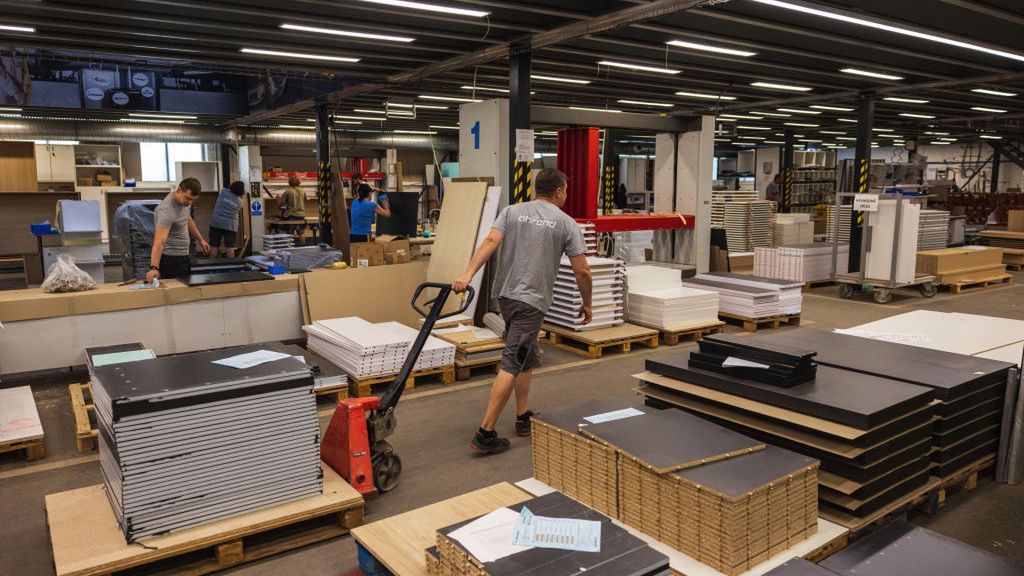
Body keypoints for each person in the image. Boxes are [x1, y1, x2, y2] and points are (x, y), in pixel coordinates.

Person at [452, 168, 592, 455]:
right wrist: (587, 302)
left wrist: (467, 274)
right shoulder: (566, 223)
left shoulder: (512, 212)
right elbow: (582, 272)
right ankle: (485, 432)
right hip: (531, 301)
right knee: (513, 361)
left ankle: (523, 416)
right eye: (565, 190)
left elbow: (490, 241)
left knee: (526, 356)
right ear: (559, 191)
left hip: (505, 295)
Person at [146, 177, 209, 283]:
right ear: (179, 190)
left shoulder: (184, 202)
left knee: (186, 289)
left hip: (183, 256)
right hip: (171, 260)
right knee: (177, 291)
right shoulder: (167, 210)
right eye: (188, 198)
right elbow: (159, 241)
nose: (190, 202)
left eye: (193, 200)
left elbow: (187, 218)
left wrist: (200, 239)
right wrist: (154, 268)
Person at [349, 173, 390, 243]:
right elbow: (388, 214)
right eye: (371, 192)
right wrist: (385, 204)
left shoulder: (354, 202)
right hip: (364, 236)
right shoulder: (372, 205)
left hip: (353, 236)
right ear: (369, 193)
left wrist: (376, 189)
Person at [208, 180, 245, 258]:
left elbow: (228, 187)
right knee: (230, 246)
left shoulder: (223, 192)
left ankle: (212, 263)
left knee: (214, 245)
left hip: (216, 223)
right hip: (231, 225)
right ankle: (231, 264)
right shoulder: (240, 202)